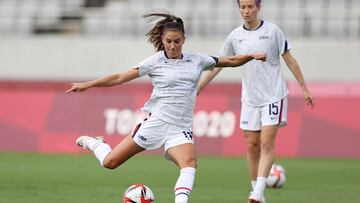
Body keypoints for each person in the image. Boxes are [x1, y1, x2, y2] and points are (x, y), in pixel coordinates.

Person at [66, 11, 266, 203]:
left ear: (184, 39)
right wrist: (88, 84)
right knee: (110, 163)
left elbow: (230, 60)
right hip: (156, 123)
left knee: (189, 163)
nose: (172, 46)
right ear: (162, 40)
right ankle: (94, 143)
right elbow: (119, 77)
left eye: (177, 41)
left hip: (180, 128)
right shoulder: (155, 62)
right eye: (168, 41)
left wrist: (251, 55)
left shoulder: (197, 59)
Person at [197, 1, 315, 203]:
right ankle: (256, 192)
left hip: (273, 96)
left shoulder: (272, 31)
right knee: (252, 145)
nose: (246, 11)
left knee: (266, 143)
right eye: (243, 7)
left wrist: (304, 88)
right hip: (250, 99)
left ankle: (258, 192)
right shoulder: (235, 36)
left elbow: (289, 59)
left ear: (258, 7)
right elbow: (218, 64)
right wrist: (199, 87)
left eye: (250, 6)